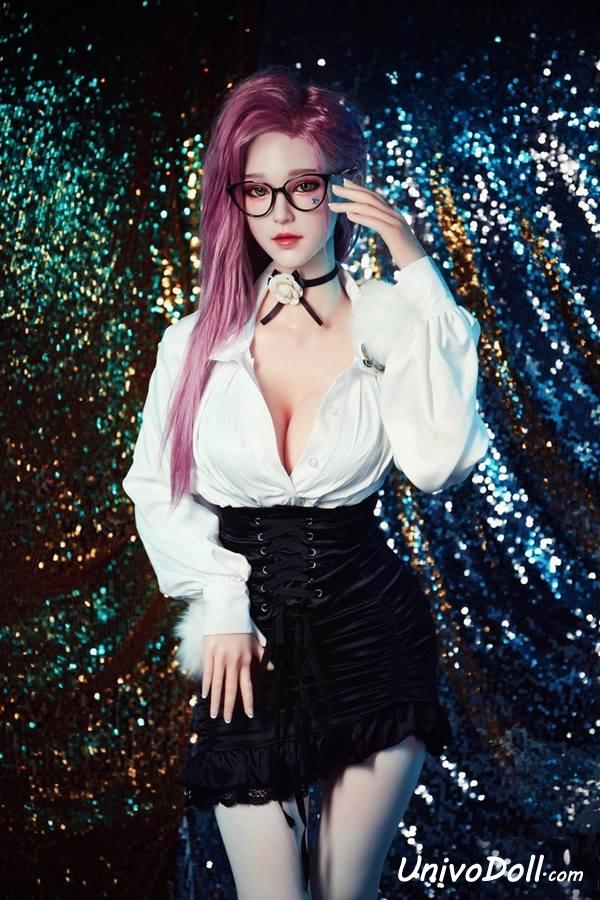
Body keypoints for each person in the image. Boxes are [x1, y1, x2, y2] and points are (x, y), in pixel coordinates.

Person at [122, 64, 489, 900]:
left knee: (343, 893)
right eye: (258, 191)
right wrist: (222, 601)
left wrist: (416, 268)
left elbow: (438, 463)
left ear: (342, 188)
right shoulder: (194, 342)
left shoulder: (389, 320)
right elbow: (155, 488)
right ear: (235, 201)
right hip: (245, 649)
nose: (281, 213)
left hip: (373, 637)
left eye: (305, 186)